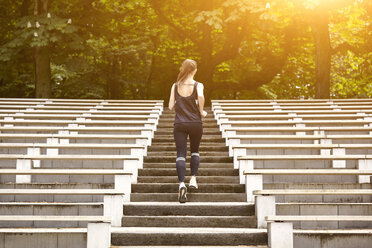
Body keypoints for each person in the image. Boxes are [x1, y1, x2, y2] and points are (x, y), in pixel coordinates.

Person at [168, 59, 207, 203]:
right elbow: (201, 96)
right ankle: (193, 179)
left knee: (181, 154)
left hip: (180, 123)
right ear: (195, 70)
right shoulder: (198, 85)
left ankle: (181, 184)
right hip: (195, 123)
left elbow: (171, 106)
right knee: (195, 151)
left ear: (183, 69)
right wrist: (201, 111)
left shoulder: (175, 85)